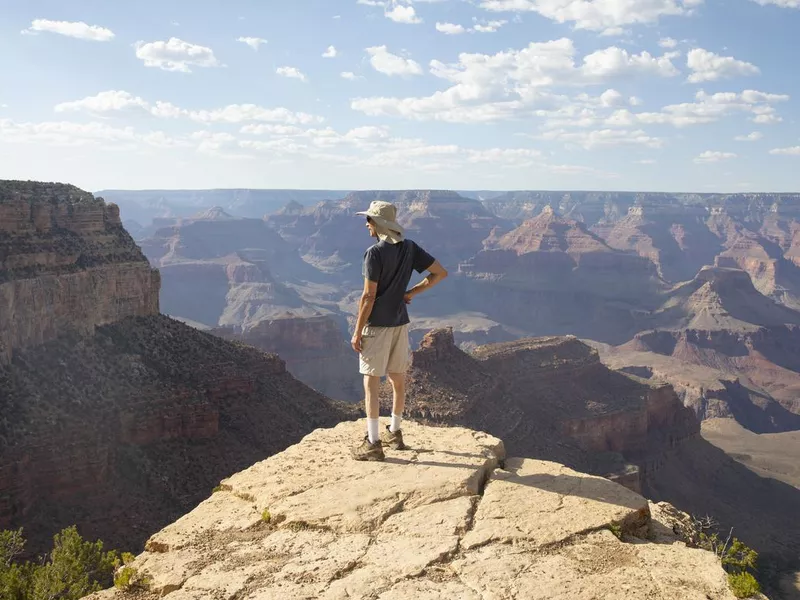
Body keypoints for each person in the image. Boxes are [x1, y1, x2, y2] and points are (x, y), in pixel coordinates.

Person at [350, 200, 448, 461]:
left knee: (371, 383)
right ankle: (395, 432)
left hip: (378, 327)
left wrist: (357, 331)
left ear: (379, 223)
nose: (366, 224)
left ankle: (373, 443)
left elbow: (368, 297)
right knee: (398, 380)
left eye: (369, 220)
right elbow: (439, 273)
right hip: (400, 324)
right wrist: (411, 292)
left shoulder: (375, 253)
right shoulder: (410, 247)